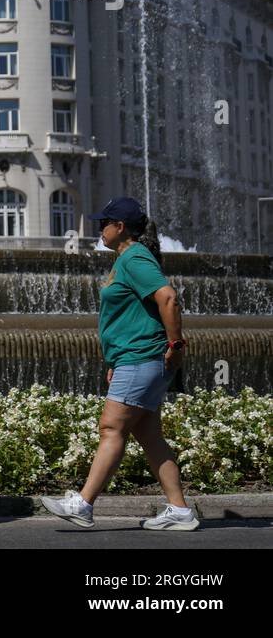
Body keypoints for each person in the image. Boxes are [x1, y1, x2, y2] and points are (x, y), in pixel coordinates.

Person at [42, 197, 196, 530]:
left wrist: (177, 344)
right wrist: (115, 358)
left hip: (142, 356)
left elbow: (167, 297)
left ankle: (83, 504)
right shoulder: (126, 258)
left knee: (111, 428)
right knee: (149, 436)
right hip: (136, 357)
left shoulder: (135, 257)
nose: (100, 228)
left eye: (104, 223)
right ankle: (180, 510)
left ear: (120, 227)